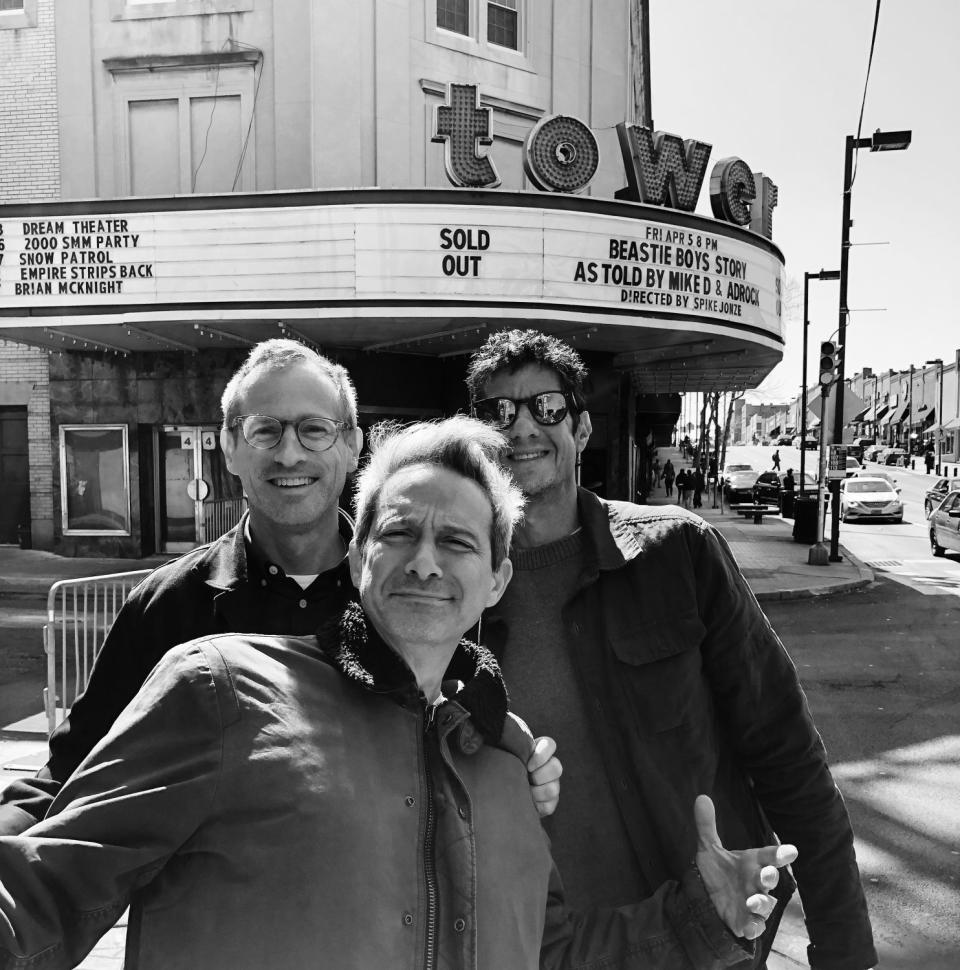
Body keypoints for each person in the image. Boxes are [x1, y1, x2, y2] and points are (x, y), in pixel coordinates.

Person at [0, 418, 795, 969]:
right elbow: (45, 887)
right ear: (355, 557)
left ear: (497, 582)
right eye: (399, 534)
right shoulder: (223, 688)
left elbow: (549, 953)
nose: (425, 563)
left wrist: (702, 919)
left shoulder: (506, 765)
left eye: (456, 542)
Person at [0, 340, 558, 834]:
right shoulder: (168, 605)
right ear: (229, 446)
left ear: (351, 445)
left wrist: (522, 767)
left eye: (314, 430)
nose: (289, 453)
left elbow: (470, 725)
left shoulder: (408, 595)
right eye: (265, 430)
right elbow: (71, 779)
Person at [466, 330, 877, 970]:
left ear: (581, 426)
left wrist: (844, 946)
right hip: (533, 948)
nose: (522, 427)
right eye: (499, 412)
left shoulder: (677, 552)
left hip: (702, 939)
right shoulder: (451, 594)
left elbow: (785, 750)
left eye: (545, 407)